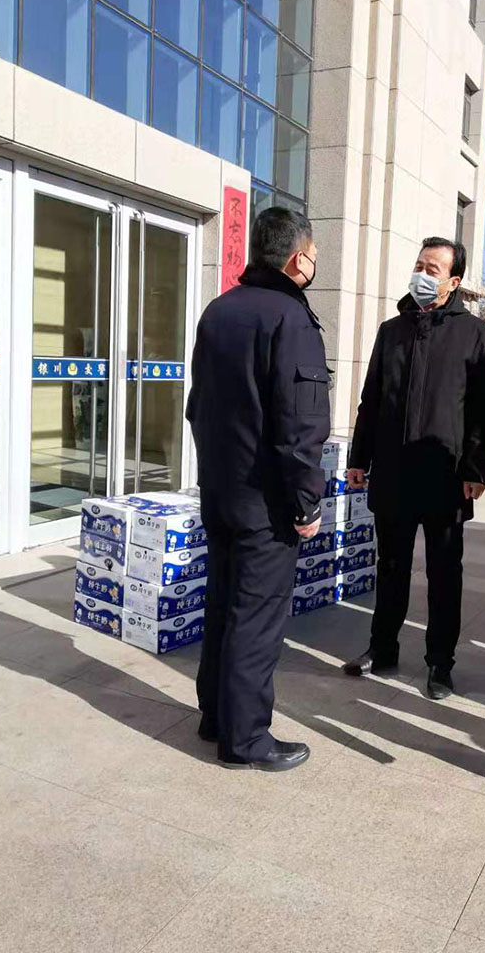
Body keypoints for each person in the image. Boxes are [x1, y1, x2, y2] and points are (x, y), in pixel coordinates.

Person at [185, 207, 329, 772]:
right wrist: (306, 502)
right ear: (296, 259)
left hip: (220, 491)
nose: (312, 265)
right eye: (312, 256)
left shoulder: (219, 311)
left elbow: (198, 407)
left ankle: (216, 717)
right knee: (257, 617)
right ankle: (245, 740)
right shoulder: (291, 318)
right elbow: (300, 426)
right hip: (265, 503)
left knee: (223, 605)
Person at [342, 236, 485, 698]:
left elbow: (482, 410)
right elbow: (371, 400)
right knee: (390, 566)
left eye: (433, 270)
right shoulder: (392, 331)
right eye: (419, 265)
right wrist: (359, 458)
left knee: (444, 574)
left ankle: (440, 664)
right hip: (393, 470)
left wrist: (475, 469)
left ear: (454, 281)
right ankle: (382, 649)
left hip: (445, 476)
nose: (422, 275)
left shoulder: (474, 334)